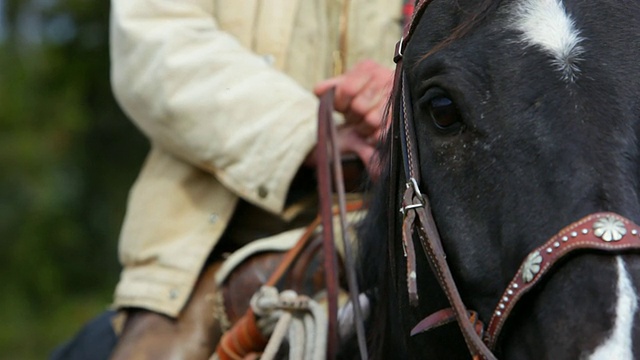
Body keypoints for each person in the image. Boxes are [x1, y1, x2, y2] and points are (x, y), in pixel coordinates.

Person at [54, 0, 407, 359]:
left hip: (398, 233)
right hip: (205, 254)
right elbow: (155, 43)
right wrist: (306, 134)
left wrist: (410, 84)